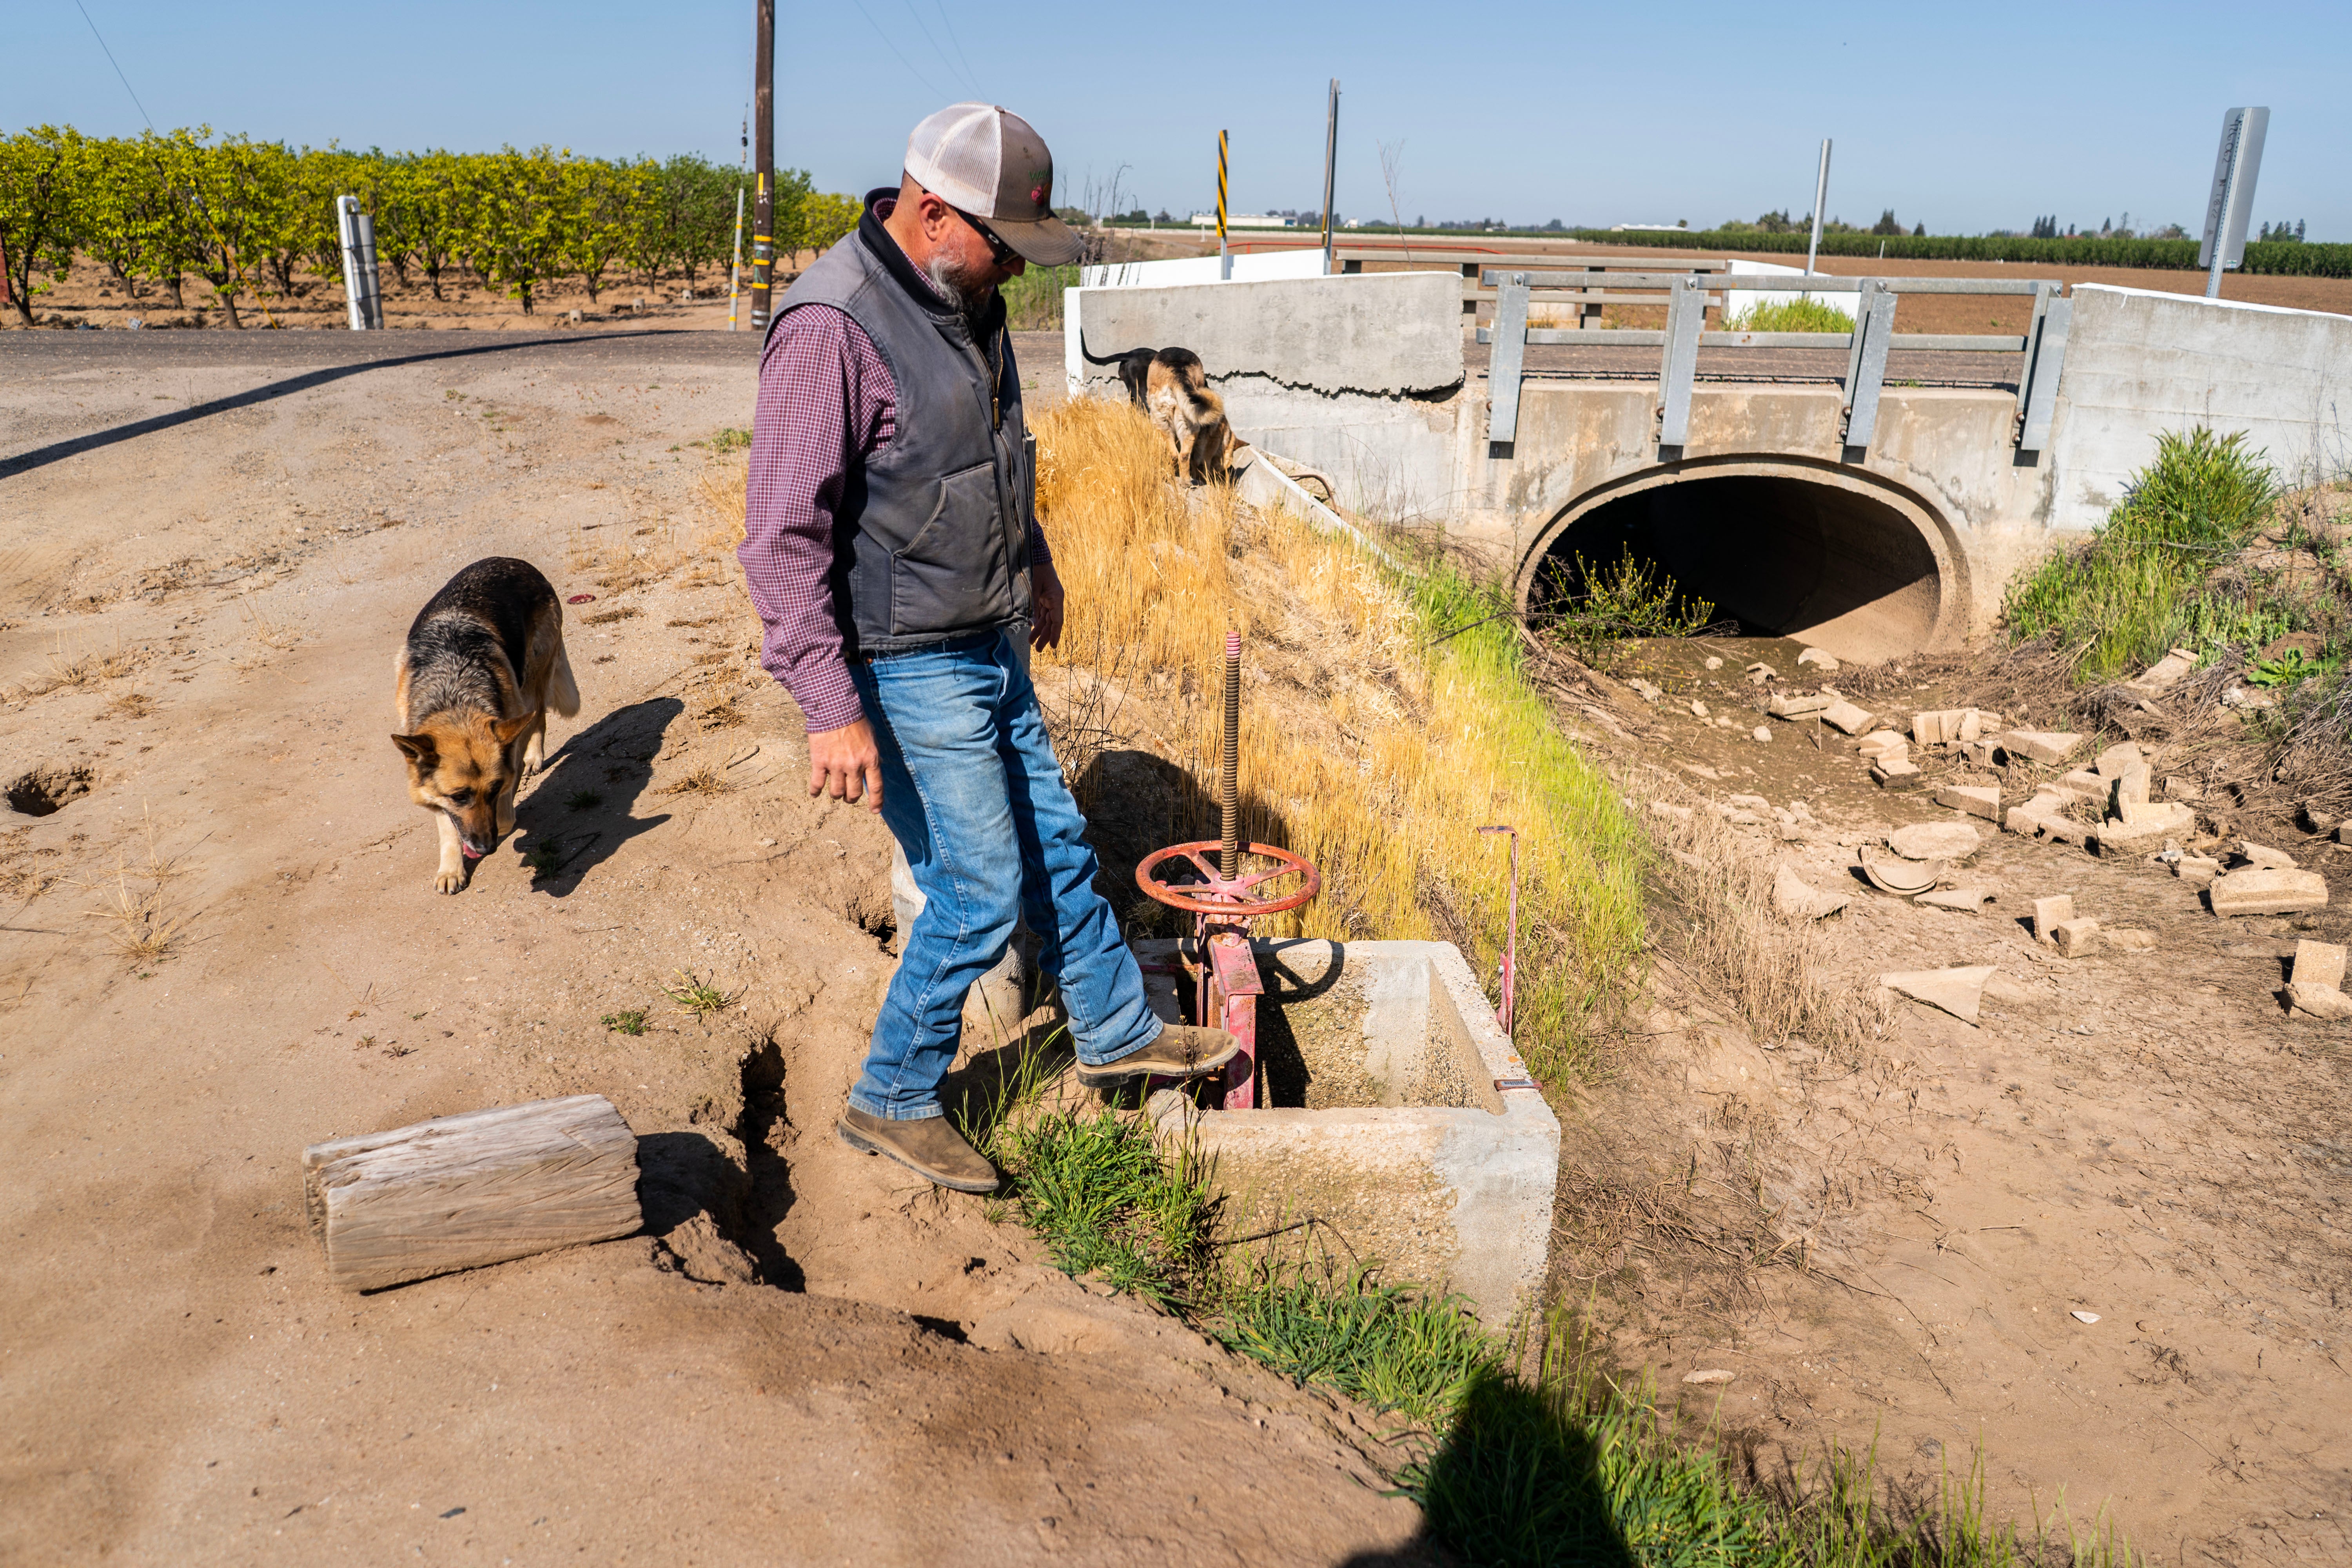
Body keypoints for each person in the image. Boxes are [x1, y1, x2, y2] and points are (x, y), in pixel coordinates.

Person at [739, 103, 1239, 1192]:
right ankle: (894, 1098)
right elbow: (781, 539)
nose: (1015, 264)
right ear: (929, 213)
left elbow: (997, 455)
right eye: (1001, 241)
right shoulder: (832, 326)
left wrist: (1037, 566)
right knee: (974, 887)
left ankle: (1113, 1031)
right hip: (904, 657)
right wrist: (829, 704)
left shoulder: (972, 301)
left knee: (1054, 847)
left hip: (988, 632)